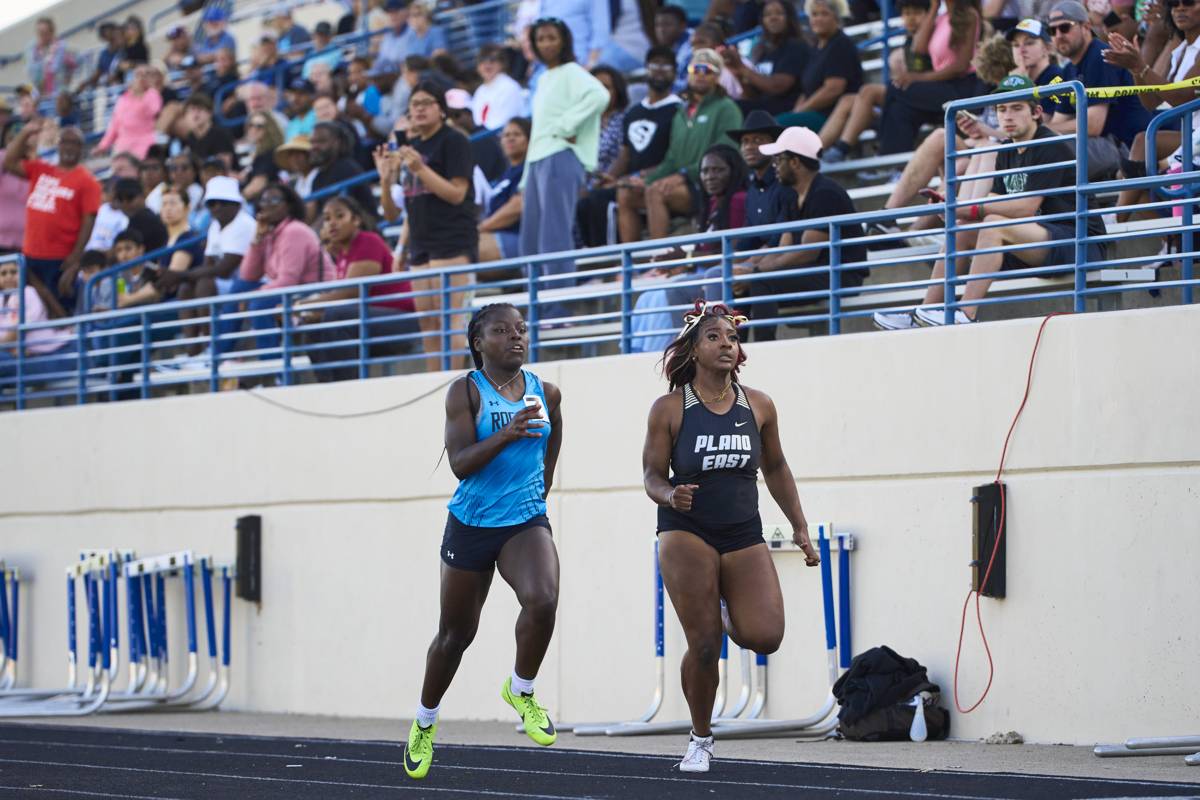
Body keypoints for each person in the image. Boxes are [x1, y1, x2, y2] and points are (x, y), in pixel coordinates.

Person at [641, 300, 819, 773]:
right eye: (714, 337)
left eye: (732, 339)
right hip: (687, 532)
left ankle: (721, 611)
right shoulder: (670, 408)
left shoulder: (758, 405)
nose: (726, 344)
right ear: (695, 350)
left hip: (743, 531)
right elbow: (650, 474)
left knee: (766, 636)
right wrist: (668, 494)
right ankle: (701, 737)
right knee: (703, 647)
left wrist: (800, 527)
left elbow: (776, 467)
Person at [402, 302, 563, 781]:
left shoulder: (546, 392)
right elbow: (460, 462)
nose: (516, 336)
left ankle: (522, 688)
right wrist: (509, 433)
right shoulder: (464, 392)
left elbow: (553, 440)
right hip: (471, 523)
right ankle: (425, 721)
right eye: (502, 330)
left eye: (521, 329)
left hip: (524, 520)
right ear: (479, 342)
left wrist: (542, 485)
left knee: (543, 600)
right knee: (456, 636)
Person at [873, 76, 1109, 329]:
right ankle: (924, 312)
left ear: (1037, 112)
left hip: (1077, 241)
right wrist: (954, 210)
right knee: (962, 229)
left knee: (994, 223)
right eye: (1001, 109)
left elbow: (1025, 207)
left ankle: (966, 313)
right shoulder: (1006, 149)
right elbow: (995, 200)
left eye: (1017, 108)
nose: (1007, 116)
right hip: (1037, 240)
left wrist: (971, 207)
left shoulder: (1049, 144)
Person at [705, 126, 868, 340]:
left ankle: (765, 347)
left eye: (778, 160)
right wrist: (750, 269)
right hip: (814, 271)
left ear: (795, 162)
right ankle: (732, 351)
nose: (775, 167)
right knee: (739, 285)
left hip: (840, 274)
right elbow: (784, 247)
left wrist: (755, 273)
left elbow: (807, 253)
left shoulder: (824, 193)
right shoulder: (792, 196)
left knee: (760, 282)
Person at [379, 82, 477, 371]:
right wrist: (385, 180)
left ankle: (453, 384)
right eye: (414, 104)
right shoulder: (413, 148)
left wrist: (421, 168)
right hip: (420, 246)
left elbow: (457, 193)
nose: (419, 108)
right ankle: (434, 383)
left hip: (452, 241)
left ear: (442, 110)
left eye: (426, 102)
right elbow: (396, 210)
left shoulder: (454, 141)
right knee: (429, 324)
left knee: (451, 321)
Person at [519, 19, 610, 321]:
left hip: (560, 155)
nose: (545, 43)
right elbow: (538, 129)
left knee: (554, 236)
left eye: (551, 38)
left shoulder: (572, 71)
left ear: (564, 41)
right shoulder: (544, 77)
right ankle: (537, 308)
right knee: (530, 241)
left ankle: (558, 308)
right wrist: (525, 174)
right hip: (537, 160)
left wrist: (566, 126)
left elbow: (600, 96)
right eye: (540, 38)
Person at [631, 144, 749, 353]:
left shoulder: (738, 200)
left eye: (717, 170)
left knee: (662, 296)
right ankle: (650, 351)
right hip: (702, 272)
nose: (710, 176)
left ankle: (678, 350)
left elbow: (731, 253)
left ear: (734, 171)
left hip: (723, 272)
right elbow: (702, 253)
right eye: (705, 171)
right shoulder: (713, 202)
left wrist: (687, 258)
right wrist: (684, 264)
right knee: (647, 296)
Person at [617, 49, 743, 244]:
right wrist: (649, 179)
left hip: (709, 184)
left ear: (717, 77)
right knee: (626, 193)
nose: (701, 74)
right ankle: (631, 260)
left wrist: (682, 175)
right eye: (696, 69)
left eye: (708, 70)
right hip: (684, 181)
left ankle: (659, 261)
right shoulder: (681, 112)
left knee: (656, 192)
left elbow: (725, 154)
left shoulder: (727, 108)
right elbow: (672, 158)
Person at [300, 195, 417, 381]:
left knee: (336, 315)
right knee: (313, 326)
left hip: (402, 321)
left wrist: (301, 305)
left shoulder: (368, 241)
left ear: (356, 220)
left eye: (339, 216)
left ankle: (347, 385)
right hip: (373, 322)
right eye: (327, 219)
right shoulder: (343, 255)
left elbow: (350, 293)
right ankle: (328, 387)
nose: (332, 224)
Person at [578, 45, 682, 248]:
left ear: (675, 72)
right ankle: (593, 265)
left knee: (603, 201)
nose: (659, 69)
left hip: (658, 179)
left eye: (666, 65)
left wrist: (642, 176)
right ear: (646, 69)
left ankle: (613, 264)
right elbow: (625, 155)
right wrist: (610, 177)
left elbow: (675, 156)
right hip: (629, 180)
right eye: (654, 64)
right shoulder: (634, 112)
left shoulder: (679, 109)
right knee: (588, 199)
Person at [1045, 0, 1151, 179]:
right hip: (1103, 146)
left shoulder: (1101, 57)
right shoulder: (1068, 70)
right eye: (1052, 31)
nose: (1058, 35)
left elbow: (1092, 126)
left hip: (1128, 148)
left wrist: (1042, 130)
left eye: (1064, 28)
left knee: (1047, 151)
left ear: (1086, 26)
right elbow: (1058, 122)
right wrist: (1041, 131)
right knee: (1034, 147)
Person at [3, 121, 100, 314]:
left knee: (61, 312)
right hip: (30, 256)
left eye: (75, 143)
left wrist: (75, 258)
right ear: (59, 144)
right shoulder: (42, 169)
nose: (69, 147)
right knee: (33, 312)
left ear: (82, 149)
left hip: (60, 259)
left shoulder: (87, 181)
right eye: (65, 142)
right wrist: (26, 132)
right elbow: (9, 161)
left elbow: (88, 221)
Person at [232, 183, 328, 358]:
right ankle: (220, 355)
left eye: (275, 200)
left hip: (312, 292)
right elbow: (248, 276)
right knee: (239, 288)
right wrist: (257, 239)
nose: (267, 204)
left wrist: (255, 294)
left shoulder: (294, 231)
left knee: (260, 304)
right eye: (264, 200)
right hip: (293, 291)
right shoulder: (271, 233)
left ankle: (273, 368)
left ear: (288, 206)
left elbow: (288, 281)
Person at [877, 0, 983, 155]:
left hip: (961, 87)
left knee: (894, 88)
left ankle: (881, 148)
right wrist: (933, 7)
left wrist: (918, 77)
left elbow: (961, 66)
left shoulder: (968, 15)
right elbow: (918, 48)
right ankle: (895, 166)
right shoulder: (941, 18)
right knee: (899, 109)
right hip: (941, 86)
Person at [777, 0, 863, 131]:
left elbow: (833, 89)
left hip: (833, 116)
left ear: (836, 17)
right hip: (813, 112)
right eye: (814, 14)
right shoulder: (816, 48)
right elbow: (806, 91)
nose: (818, 19)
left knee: (775, 126)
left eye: (824, 14)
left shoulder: (841, 44)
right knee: (771, 123)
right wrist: (795, 111)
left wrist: (802, 111)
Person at [724, 0, 809, 116]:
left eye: (779, 13)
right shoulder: (762, 50)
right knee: (726, 105)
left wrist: (742, 68)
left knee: (732, 108)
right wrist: (738, 73)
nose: (773, 18)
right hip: (763, 106)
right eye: (767, 15)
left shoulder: (796, 46)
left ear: (789, 18)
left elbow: (777, 87)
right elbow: (752, 95)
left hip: (785, 108)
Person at [0, 257, 77, 385]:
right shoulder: (1, 299)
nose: (9, 277)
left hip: (52, 354)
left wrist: (8, 347)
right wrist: (10, 348)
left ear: (22, 274)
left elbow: (15, 334)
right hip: (20, 355)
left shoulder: (28, 293)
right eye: (3, 273)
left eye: (13, 272)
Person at [479, 117, 531, 264]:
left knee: (458, 249)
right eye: (506, 135)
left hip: (518, 237)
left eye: (517, 134)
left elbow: (518, 206)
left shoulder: (528, 169)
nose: (511, 139)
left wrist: (482, 227)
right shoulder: (505, 174)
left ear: (529, 140)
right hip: (495, 235)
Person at [307, 122, 377, 223]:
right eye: (312, 142)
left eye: (321, 141)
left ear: (337, 142)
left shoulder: (346, 168)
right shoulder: (318, 178)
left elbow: (334, 213)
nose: (314, 147)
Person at [94, 65, 162, 160]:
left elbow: (155, 110)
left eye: (145, 75)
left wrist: (142, 94)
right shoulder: (122, 99)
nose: (141, 78)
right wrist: (102, 146)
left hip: (144, 147)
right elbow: (114, 126)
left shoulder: (152, 94)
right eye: (138, 75)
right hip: (122, 149)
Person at [472, 44, 527, 130]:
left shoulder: (509, 86)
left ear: (502, 64)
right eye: (482, 61)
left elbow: (506, 122)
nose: (487, 64)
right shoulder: (479, 91)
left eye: (492, 60)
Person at [112, 177, 168, 254]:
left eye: (130, 197)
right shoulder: (136, 219)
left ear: (143, 195)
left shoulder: (144, 219)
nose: (125, 204)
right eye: (120, 199)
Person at [26, 17, 77, 99]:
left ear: (51, 32)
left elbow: (75, 67)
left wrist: (66, 85)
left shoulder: (63, 48)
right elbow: (33, 77)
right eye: (39, 33)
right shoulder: (34, 52)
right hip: (39, 97)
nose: (41, 36)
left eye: (44, 33)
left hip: (59, 97)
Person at [240, 112, 285, 203]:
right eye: (251, 125)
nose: (254, 129)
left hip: (265, 203)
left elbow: (257, 186)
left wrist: (236, 200)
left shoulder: (268, 153)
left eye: (259, 126)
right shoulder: (258, 153)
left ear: (270, 129)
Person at [182, 94, 237, 167]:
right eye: (192, 110)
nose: (195, 114)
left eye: (200, 109)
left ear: (210, 113)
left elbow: (225, 164)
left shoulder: (221, 134)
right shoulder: (191, 137)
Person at [378, 0, 412, 66]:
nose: (392, 16)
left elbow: (406, 62)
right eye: (390, 12)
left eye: (396, 12)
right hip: (385, 73)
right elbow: (380, 60)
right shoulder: (388, 35)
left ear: (405, 12)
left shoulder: (412, 33)